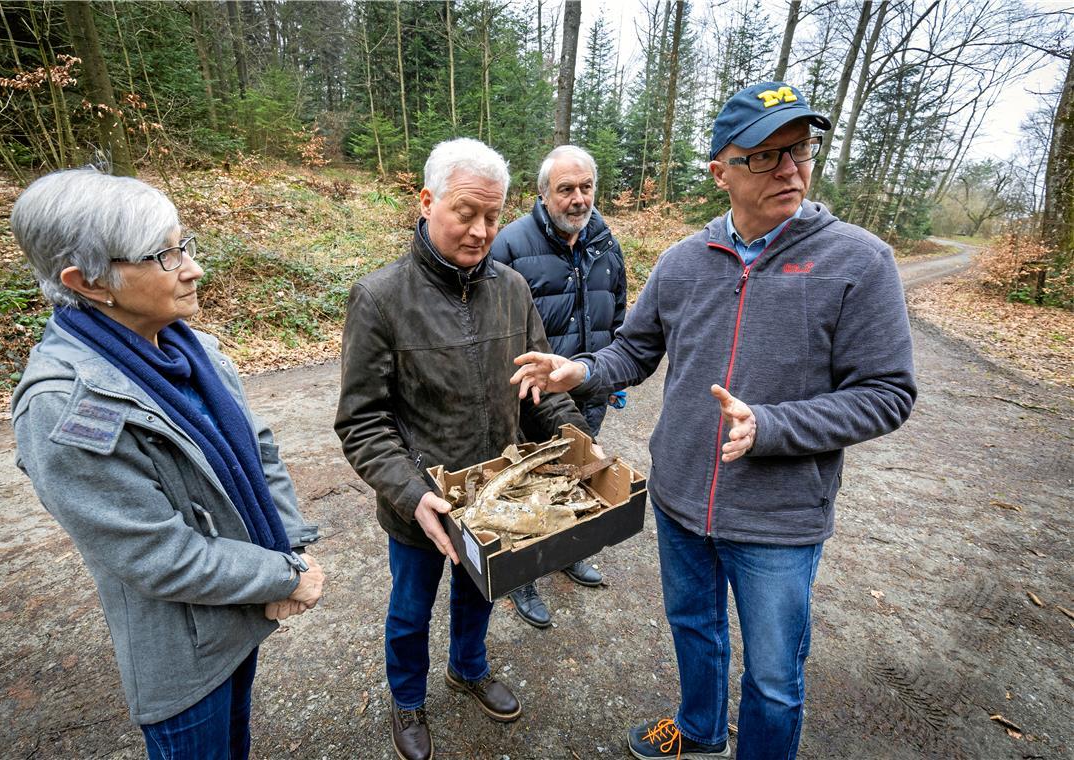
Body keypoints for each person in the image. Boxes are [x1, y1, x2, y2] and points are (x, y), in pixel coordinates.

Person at [511, 82, 917, 760]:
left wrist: (774, 426)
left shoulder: (858, 262)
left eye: (799, 150)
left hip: (779, 518)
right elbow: (636, 349)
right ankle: (698, 731)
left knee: (774, 678)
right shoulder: (684, 261)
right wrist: (578, 370)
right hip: (679, 501)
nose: (790, 169)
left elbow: (886, 393)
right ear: (720, 171)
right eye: (764, 156)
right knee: (694, 627)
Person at [10, 169, 324, 760]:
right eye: (163, 255)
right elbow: (156, 555)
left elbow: (258, 449)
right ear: (89, 282)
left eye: (186, 245)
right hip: (184, 652)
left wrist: (289, 549)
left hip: (240, 606)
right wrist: (283, 576)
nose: (192, 268)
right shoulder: (65, 405)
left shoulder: (191, 348)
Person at [334, 138, 589, 760]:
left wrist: (576, 439)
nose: (480, 231)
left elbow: (537, 387)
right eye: (465, 213)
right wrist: (413, 491)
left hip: (494, 499)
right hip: (419, 504)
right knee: (410, 609)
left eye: (493, 217)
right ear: (427, 201)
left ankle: (468, 669)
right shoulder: (380, 298)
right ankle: (407, 697)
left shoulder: (512, 289)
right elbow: (363, 422)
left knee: (480, 592)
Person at [490, 144, 628, 628]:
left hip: (588, 396)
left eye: (586, 187)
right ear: (544, 194)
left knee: (580, 475)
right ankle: (524, 573)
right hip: (532, 402)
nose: (578, 199)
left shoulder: (606, 243)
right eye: (566, 189)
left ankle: (570, 550)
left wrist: (610, 376)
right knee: (529, 487)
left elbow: (619, 311)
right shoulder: (509, 245)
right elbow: (491, 327)